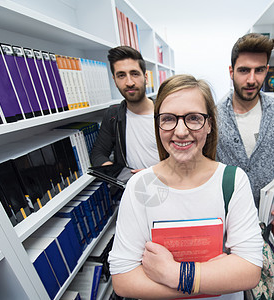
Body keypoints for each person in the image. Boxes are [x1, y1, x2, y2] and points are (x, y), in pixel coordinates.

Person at [108, 74, 263, 300]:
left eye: (193, 118)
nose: (181, 131)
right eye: (169, 119)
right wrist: (210, 281)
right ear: (158, 124)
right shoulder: (140, 186)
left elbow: (249, 270)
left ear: (209, 124)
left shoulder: (232, 181)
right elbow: (123, 280)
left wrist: (173, 274)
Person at [217, 33, 274, 227]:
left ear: (267, 70)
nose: (252, 79)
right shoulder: (213, 115)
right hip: (223, 215)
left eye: (259, 70)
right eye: (244, 70)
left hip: (265, 216)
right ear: (231, 72)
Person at [90, 46, 159, 171]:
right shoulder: (113, 114)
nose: (129, 82)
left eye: (134, 74)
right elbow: (98, 153)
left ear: (146, 78)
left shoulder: (165, 113)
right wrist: (120, 174)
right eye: (121, 75)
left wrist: (153, 173)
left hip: (166, 185)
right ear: (115, 81)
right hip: (129, 187)